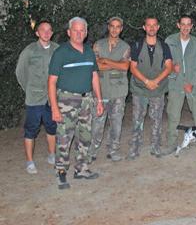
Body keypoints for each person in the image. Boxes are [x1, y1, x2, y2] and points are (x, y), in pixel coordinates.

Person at [48, 17, 104, 189]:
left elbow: (94, 76)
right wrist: (55, 108)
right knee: (64, 138)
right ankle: (61, 172)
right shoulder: (61, 53)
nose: (79, 33)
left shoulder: (88, 51)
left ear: (86, 33)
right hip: (66, 100)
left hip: (87, 100)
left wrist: (99, 100)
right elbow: (51, 82)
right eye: (76, 30)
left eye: (82, 30)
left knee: (85, 136)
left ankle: (81, 168)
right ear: (69, 32)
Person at [16, 20, 59, 174]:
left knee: (52, 127)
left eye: (49, 30)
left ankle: (52, 155)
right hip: (34, 98)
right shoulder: (29, 50)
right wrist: (29, 89)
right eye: (43, 30)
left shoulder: (57, 49)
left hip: (51, 97)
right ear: (37, 33)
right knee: (31, 130)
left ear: (52, 33)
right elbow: (20, 72)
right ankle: (29, 161)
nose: (46, 33)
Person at [127, 17, 173, 160]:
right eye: (149, 25)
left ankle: (156, 146)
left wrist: (155, 81)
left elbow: (169, 66)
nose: (151, 28)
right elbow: (132, 68)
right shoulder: (136, 45)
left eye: (154, 25)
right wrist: (147, 81)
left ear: (158, 27)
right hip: (140, 89)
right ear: (144, 27)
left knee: (157, 119)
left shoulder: (164, 46)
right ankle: (135, 147)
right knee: (137, 119)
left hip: (157, 89)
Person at [88, 17, 130, 162]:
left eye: (118, 27)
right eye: (112, 26)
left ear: (121, 28)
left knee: (116, 124)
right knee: (97, 123)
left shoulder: (125, 47)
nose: (114, 29)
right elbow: (95, 65)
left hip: (119, 92)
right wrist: (116, 63)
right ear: (108, 27)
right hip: (101, 90)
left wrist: (105, 60)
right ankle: (91, 151)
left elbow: (125, 66)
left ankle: (113, 150)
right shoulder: (98, 45)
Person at [164, 15, 196, 155]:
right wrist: (171, 69)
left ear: (192, 26)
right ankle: (171, 144)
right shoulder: (169, 41)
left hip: (192, 84)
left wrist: (191, 83)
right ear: (178, 25)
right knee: (173, 115)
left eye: (188, 24)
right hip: (175, 84)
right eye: (183, 24)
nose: (185, 27)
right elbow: (164, 62)